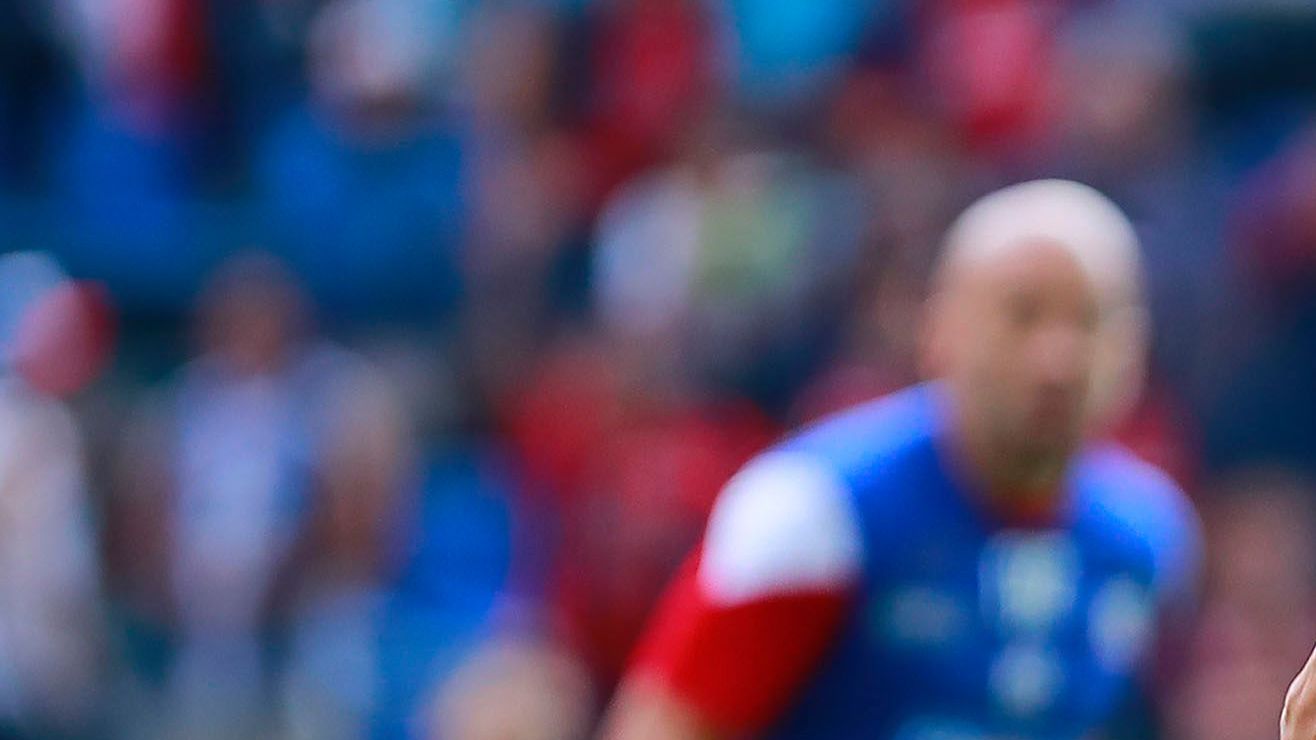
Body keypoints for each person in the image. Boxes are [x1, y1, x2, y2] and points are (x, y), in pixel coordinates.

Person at [600, 179, 1203, 739]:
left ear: (1135, 348)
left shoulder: (1149, 538)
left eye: (1090, 322)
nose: (1057, 360)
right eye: (1023, 315)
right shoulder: (817, 511)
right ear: (939, 329)